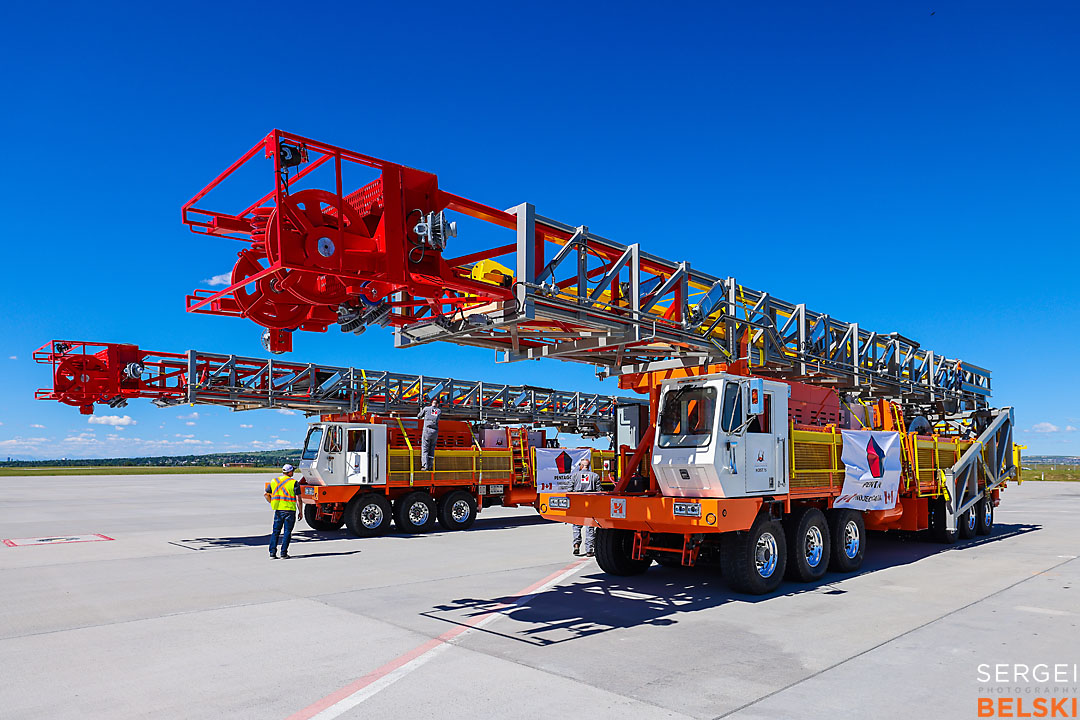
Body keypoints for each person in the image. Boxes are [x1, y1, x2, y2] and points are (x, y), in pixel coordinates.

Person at [265, 464, 299, 559]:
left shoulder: (274, 481)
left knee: (275, 532)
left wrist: (272, 503)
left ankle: (272, 553)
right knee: (287, 532)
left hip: (278, 510)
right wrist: (300, 511)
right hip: (289, 510)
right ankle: (283, 553)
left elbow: (266, 494)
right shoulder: (293, 482)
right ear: (290, 472)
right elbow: (298, 498)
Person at [571, 456, 601, 557]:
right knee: (590, 527)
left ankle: (576, 545)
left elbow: (569, 490)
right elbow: (599, 491)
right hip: (590, 504)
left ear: (581, 466)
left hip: (578, 503)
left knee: (576, 526)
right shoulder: (595, 476)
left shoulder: (575, 476)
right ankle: (589, 550)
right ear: (588, 466)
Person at [417, 398, 442, 471]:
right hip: (434, 432)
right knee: (432, 449)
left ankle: (425, 466)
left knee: (425, 449)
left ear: (432, 403)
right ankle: (430, 466)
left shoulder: (426, 408)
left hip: (427, 431)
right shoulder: (439, 411)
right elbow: (435, 415)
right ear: (437, 404)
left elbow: (419, 416)